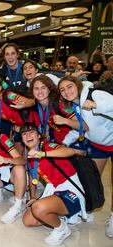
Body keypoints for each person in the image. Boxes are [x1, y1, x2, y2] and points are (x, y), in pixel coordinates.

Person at [58, 76, 113, 238]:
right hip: (98, 146)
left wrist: (95, 105)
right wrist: (65, 142)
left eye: (69, 87)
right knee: (91, 180)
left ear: (77, 85)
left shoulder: (93, 94)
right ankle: (85, 209)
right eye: (62, 90)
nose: (67, 92)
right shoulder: (76, 106)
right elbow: (81, 128)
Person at [20, 123, 86, 246]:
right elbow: (32, 176)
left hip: (70, 191)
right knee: (27, 220)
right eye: (24, 134)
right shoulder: (30, 156)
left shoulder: (47, 146)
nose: (28, 135)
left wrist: (43, 154)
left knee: (38, 208)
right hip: (55, 190)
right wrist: (33, 196)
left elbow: (69, 151)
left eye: (31, 132)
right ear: (22, 140)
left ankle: (62, 229)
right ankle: (61, 215)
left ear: (39, 135)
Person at [27, 75, 83, 146]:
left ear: (49, 89)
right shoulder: (36, 106)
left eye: (43, 88)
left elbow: (82, 125)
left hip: (74, 143)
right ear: (32, 91)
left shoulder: (60, 104)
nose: (40, 92)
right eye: (36, 88)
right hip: (57, 142)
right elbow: (46, 118)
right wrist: (46, 131)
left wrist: (66, 121)